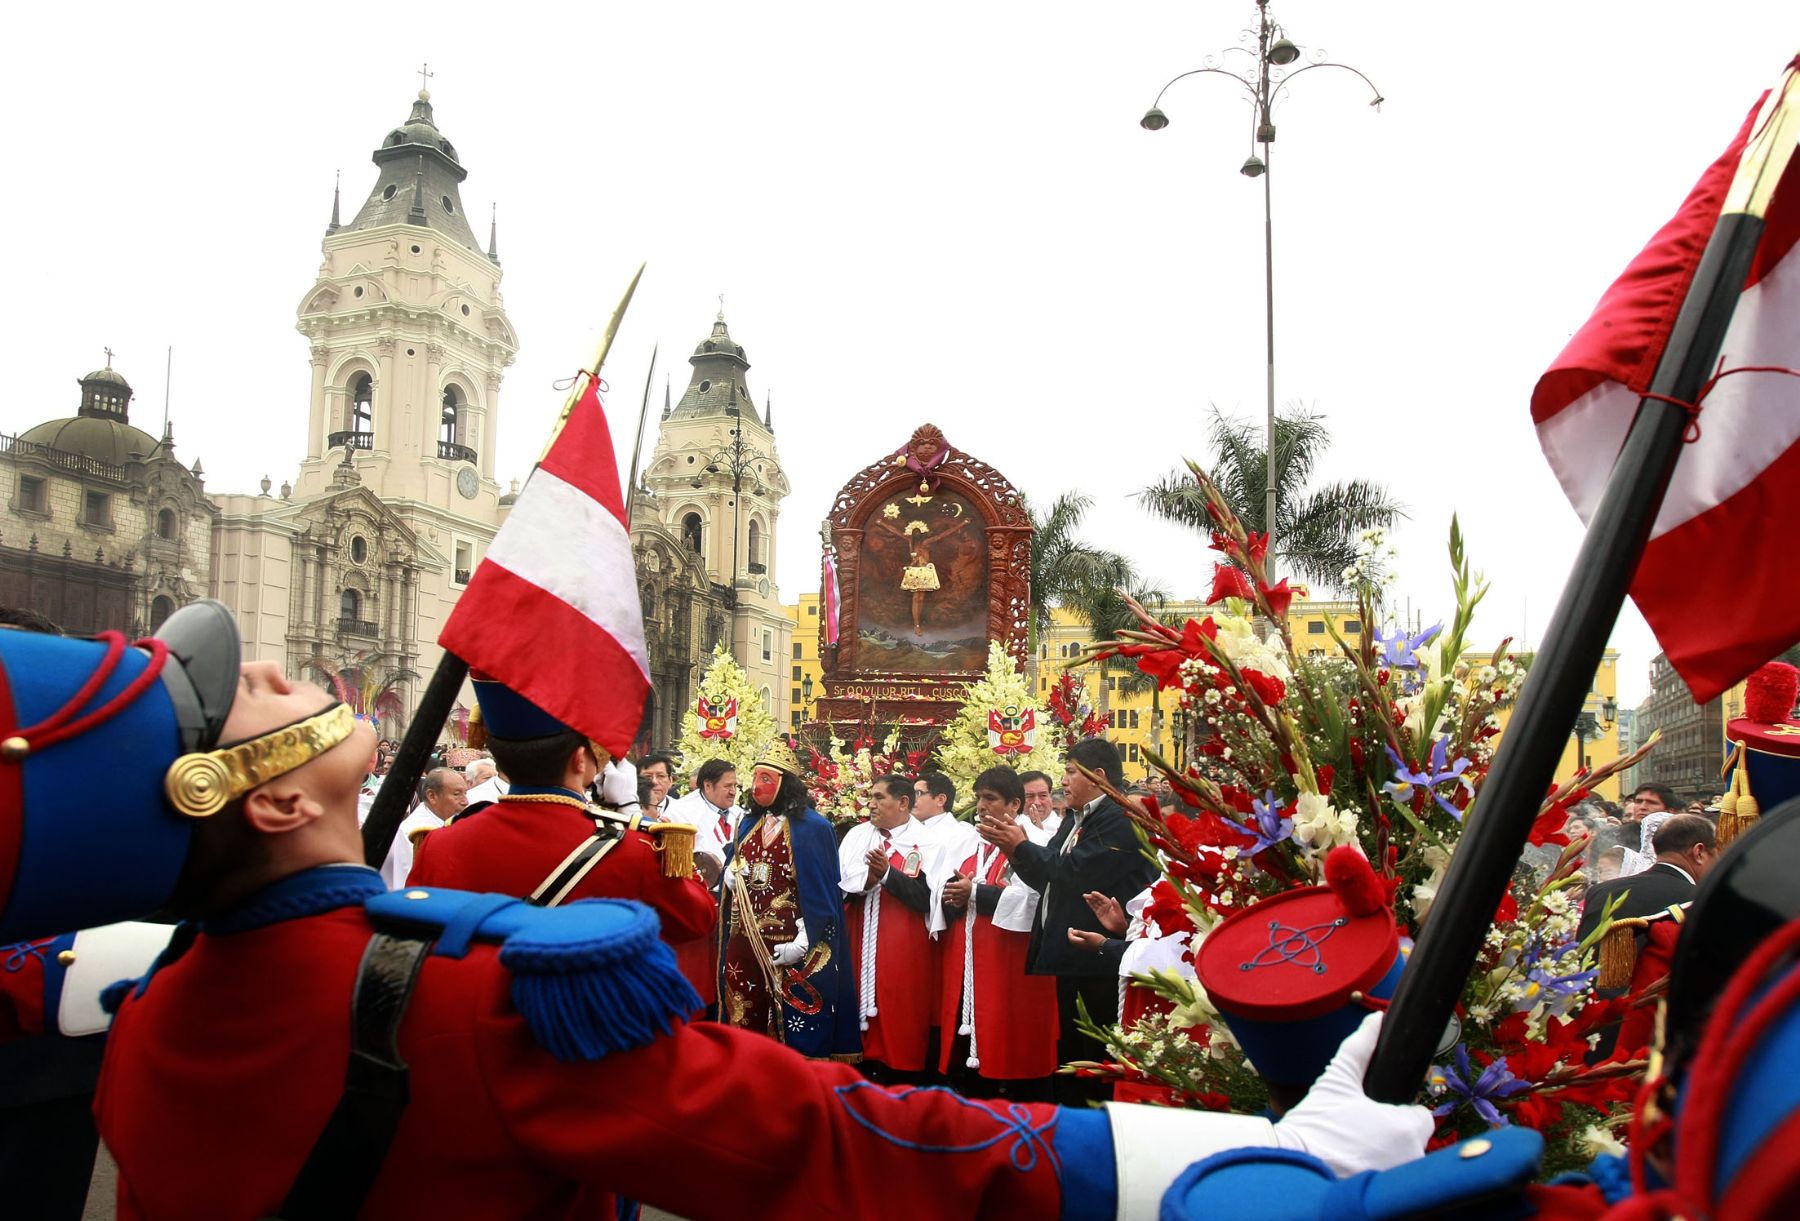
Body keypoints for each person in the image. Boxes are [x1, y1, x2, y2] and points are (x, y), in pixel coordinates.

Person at [1, 600, 1432, 1219]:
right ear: (258, 800)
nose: (267, 675)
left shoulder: (154, 1013)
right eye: (229, 696)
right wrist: (1215, 1172)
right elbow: (841, 1142)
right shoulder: (471, 999)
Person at [407, 673, 715, 942]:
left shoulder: (439, 842)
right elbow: (697, 919)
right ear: (580, 760)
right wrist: (628, 808)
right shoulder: (635, 849)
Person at [978, 737, 1157, 1105]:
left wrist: (1021, 847)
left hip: (1099, 956)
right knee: (1072, 1055)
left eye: (1071, 772)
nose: (1064, 781)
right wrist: (1014, 850)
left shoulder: (1118, 816)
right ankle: (1071, 1120)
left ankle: (1090, 1127)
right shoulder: (1079, 819)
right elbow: (1050, 877)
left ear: (1098, 775)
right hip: (1073, 954)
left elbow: (1075, 873)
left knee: (1092, 1055)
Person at [719, 741, 861, 1060]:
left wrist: (806, 937)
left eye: (766, 779)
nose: (756, 786)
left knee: (796, 1030)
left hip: (791, 948)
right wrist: (729, 875)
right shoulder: (746, 825)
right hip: (746, 946)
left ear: (786, 784)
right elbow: (735, 862)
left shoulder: (815, 828)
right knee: (745, 1018)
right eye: (755, 778)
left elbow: (822, 892)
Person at [936, 767, 1059, 1099]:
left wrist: (973, 893)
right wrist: (953, 894)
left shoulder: (1036, 841)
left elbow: (1033, 900)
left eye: (990, 799)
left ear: (1014, 805)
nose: (981, 806)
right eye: (978, 798)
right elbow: (943, 890)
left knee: (1012, 1050)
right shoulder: (967, 843)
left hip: (1012, 966)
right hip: (972, 961)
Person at [839, 774, 940, 1081]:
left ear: (903, 802)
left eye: (879, 797)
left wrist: (886, 875)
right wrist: (870, 878)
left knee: (900, 1010)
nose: (871, 804)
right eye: (871, 796)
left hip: (904, 947)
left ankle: (900, 1082)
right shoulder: (857, 836)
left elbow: (928, 899)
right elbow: (840, 884)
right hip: (857, 938)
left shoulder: (929, 842)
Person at [664, 757, 742, 1007]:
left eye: (735, 786)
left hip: (737, 900)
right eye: (727, 786)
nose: (733, 791)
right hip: (702, 901)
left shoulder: (741, 813)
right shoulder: (680, 812)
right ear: (707, 786)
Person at [382, 766, 468, 888]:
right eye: (457, 794)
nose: (465, 801)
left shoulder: (449, 821)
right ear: (432, 796)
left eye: (465, 793)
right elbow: (407, 884)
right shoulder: (415, 832)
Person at [1020, 769, 1061, 840]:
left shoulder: (1064, 828)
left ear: (1050, 797)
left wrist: (1038, 833)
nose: (1037, 803)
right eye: (1029, 796)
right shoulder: (1009, 827)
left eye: (1043, 795)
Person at [638, 752, 677, 817]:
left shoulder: (683, 812)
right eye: (647, 776)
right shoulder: (626, 807)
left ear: (670, 781)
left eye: (661, 776)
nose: (654, 782)